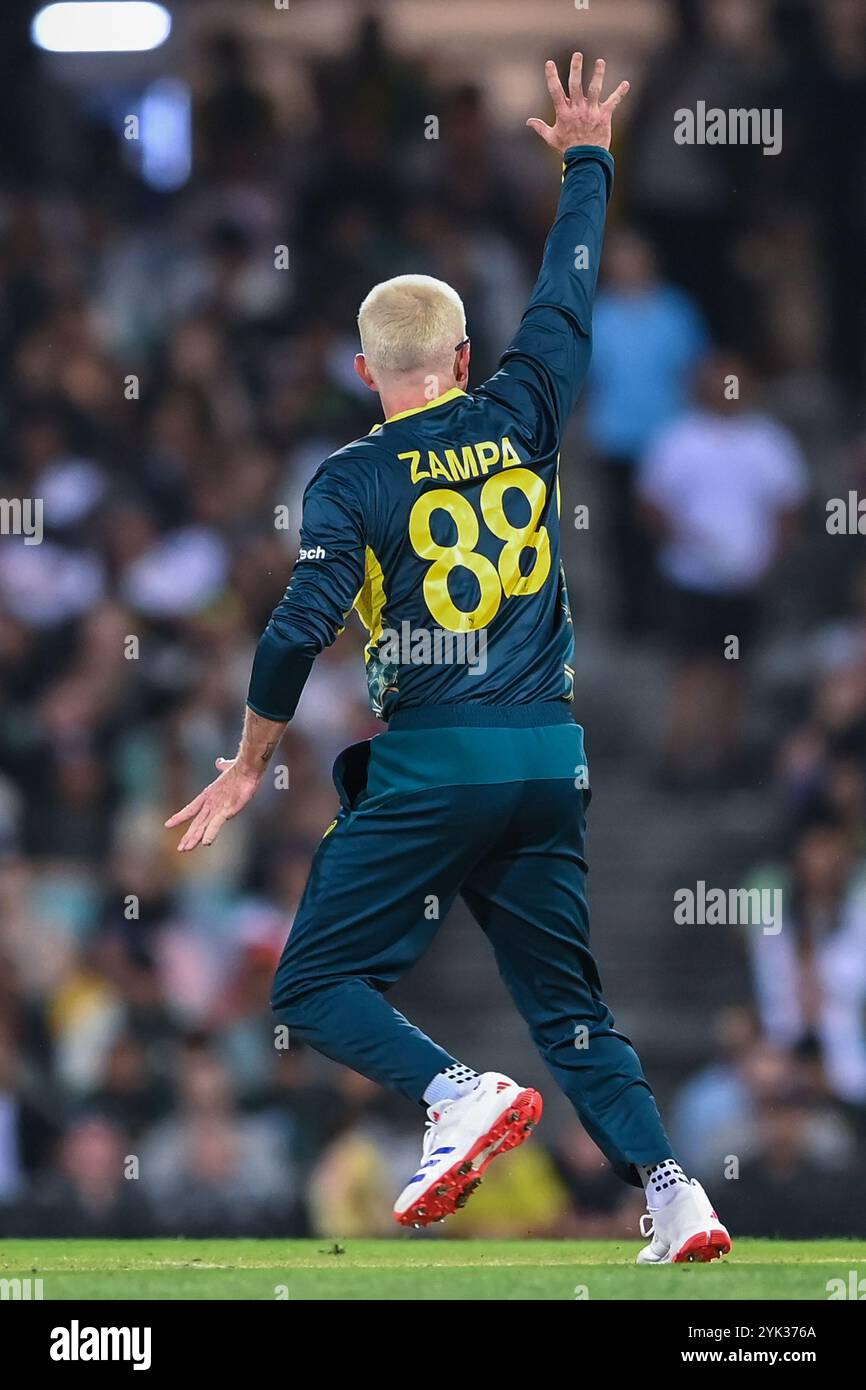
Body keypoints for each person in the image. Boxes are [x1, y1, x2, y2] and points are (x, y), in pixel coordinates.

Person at [166, 56, 731, 1264]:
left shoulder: (352, 476)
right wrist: (587, 162)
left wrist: (244, 761)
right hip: (546, 754)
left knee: (312, 984)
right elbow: (566, 295)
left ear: (365, 374)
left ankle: (449, 1093)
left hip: (434, 759)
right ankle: (675, 1189)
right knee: (571, 1008)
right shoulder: (524, 409)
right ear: (464, 356)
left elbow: (292, 632)